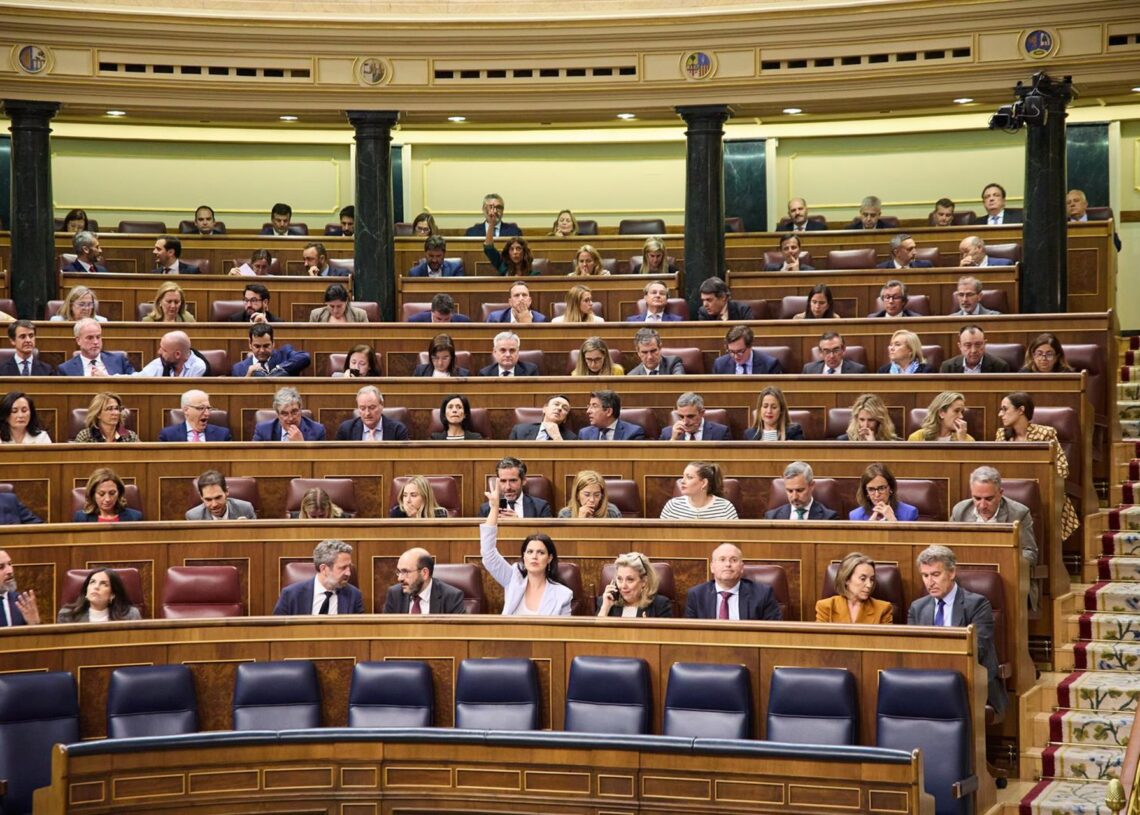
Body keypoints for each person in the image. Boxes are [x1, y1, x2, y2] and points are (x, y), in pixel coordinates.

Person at [907, 545, 1008, 714]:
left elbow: (978, 650)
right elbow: (912, 651)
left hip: (968, 679)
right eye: (925, 576)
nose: (929, 582)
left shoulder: (977, 604)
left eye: (935, 575)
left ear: (952, 573)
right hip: (929, 680)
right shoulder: (917, 608)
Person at [997, 391, 1079, 541]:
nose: (1000, 414)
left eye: (1004, 409)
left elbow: (1062, 468)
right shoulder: (1002, 435)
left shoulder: (1045, 434)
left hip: (1043, 493)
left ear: (1021, 410)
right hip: (1012, 493)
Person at [480, 485, 573, 616]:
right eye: (529, 552)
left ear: (550, 558)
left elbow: (563, 634)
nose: (534, 556)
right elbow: (488, 553)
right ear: (523, 556)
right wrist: (494, 508)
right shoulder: (513, 579)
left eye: (541, 552)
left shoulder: (563, 595)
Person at [950, 467, 1038, 570]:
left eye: (988, 499)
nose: (982, 505)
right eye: (977, 498)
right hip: (969, 573)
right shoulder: (960, 511)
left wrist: (999, 560)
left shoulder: (1019, 513)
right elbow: (947, 550)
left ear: (1000, 493)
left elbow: (1030, 554)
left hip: (1005, 573)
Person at [683, 543, 782, 620]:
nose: (728, 564)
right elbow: (689, 634)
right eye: (722, 559)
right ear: (712, 567)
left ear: (742, 567)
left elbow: (773, 634)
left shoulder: (762, 594)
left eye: (734, 560)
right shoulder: (696, 595)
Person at [273, 540, 363, 615]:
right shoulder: (291, 595)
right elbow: (277, 631)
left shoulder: (354, 596)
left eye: (349, 567)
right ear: (324, 569)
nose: (348, 573)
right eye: (343, 568)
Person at [383, 547, 467, 614]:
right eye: (399, 572)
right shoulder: (394, 594)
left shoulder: (451, 597)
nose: (399, 578)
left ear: (424, 573)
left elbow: (459, 633)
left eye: (405, 572)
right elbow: (386, 632)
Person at [815, 552, 893, 623]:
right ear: (846, 579)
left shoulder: (883, 609)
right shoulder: (826, 607)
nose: (869, 585)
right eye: (863, 579)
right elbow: (820, 638)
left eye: (871, 579)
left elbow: (886, 639)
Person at [597, 552, 672, 617]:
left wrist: (648, 630)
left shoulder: (660, 605)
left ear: (644, 582)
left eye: (630, 580)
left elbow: (668, 633)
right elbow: (594, 633)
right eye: (619, 579)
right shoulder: (605, 602)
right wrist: (605, 609)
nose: (623, 586)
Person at [479, 456, 554, 517]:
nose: (508, 487)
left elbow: (545, 534)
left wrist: (519, 523)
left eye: (513, 480)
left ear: (523, 481)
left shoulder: (541, 507)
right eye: (503, 481)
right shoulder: (486, 509)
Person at [660, 461, 739, 520]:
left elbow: (734, 539)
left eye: (689, 477)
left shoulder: (725, 508)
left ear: (704, 483)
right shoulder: (672, 506)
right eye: (683, 477)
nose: (682, 481)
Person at [57, 569, 141, 622]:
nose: (96, 587)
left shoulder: (131, 615)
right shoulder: (67, 616)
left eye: (104, 584)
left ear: (113, 594)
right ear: (86, 590)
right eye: (92, 582)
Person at [57, 318, 135, 376]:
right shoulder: (66, 369)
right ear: (78, 340)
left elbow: (134, 384)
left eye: (98, 337)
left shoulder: (119, 360)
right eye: (90, 338)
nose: (95, 342)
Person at [764, 461, 838, 520]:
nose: (794, 497)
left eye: (799, 490)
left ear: (812, 486)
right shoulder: (772, 517)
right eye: (790, 491)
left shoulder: (828, 518)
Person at [231, 323, 310, 377]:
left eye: (266, 346)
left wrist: (279, 369)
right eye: (257, 346)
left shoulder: (284, 355)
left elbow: (305, 357)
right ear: (250, 344)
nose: (262, 350)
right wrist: (247, 377)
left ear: (273, 343)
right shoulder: (239, 368)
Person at [335, 385, 410, 441]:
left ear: (381, 405)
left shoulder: (398, 430)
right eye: (362, 408)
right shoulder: (346, 429)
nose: (367, 413)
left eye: (372, 408)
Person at [849, 462, 918, 521]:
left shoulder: (909, 513)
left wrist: (894, 522)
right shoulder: (855, 516)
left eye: (881, 488)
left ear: (890, 488)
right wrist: (868, 527)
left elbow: (910, 537)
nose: (877, 494)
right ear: (866, 492)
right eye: (871, 489)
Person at [252, 387, 326, 441]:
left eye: (294, 412)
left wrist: (302, 445)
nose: (290, 418)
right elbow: (254, 458)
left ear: (300, 410)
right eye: (284, 414)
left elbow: (320, 461)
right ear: (278, 414)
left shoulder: (317, 431)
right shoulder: (263, 430)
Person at [159, 388, 233, 441]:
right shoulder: (168, 436)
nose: (207, 413)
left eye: (208, 408)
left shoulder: (222, 435)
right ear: (186, 410)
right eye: (201, 408)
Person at [73, 468, 143, 522]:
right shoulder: (81, 519)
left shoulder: (135, 517)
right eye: (101, 494)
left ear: (119, 493)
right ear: (93, 494)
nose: (107, 499)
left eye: (112, 493)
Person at [186, 470, 257, 520]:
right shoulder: (193, 517)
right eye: (208, 499)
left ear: (226, 492)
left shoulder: (245, 509)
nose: (214, 504)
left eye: (218, 497)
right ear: (201, 497)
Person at [712, 325, 783, 375]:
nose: (736, 356)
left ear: (750, 346)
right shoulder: (720, 365)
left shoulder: (770, 365)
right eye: (731, 352)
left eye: (740, 352)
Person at [134, 330, 208, 377]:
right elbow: (137, 378)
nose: (159, 352)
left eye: (164, 350)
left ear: (177, 354)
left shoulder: (198, 367)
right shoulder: (161, 362)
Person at [578, 389, 646, 440]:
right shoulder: (584, 434)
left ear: (608, 411)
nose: (588, 411)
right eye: (589, 406)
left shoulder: (633, 433)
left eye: (594, 406)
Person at [662, 391, 731, 441]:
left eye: (690, 416)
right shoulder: (667, 433)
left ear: (702, 413)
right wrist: (673, 440)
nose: (685, 422)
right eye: (681, 416)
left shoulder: (721, 432)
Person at [940, 325, 1010, 373]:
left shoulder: (1000, 367)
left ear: (984, 344)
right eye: (968, 345)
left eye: (978, 345)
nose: (973, 350)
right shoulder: (947, 367)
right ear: (960, 346)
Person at [907, 391, 973, 442]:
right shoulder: (917, 438)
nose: (961, 416)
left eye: (962, 412)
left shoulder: (967, 439)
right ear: (941, 413)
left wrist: (962, 442)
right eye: (956, 411)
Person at [74, 392, 139, 442]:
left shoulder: (130, 436)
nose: (116, 413)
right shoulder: (85, 437)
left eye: (116, 408)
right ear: (98, 414)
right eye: (109, 409)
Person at [508, 395, 577, 441]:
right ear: (544, 409)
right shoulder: (520, 431)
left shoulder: (571, 438)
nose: (559, 408)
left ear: (565, 419)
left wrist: (557, 438)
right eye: (556, 404)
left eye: (565, 408)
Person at [559, 470, 623, 518]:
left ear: (602, 495)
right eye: (587, 495)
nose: (592, 500)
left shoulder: (612, 512)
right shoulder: (565, 514)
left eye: (597, 495)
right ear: (577, 495)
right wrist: (579, 521)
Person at [1, 549, 42, 625]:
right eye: (1, 567)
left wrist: (35, 624)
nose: (10, 571)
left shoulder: (22, 603)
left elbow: (37, 636)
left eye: (10, 564)